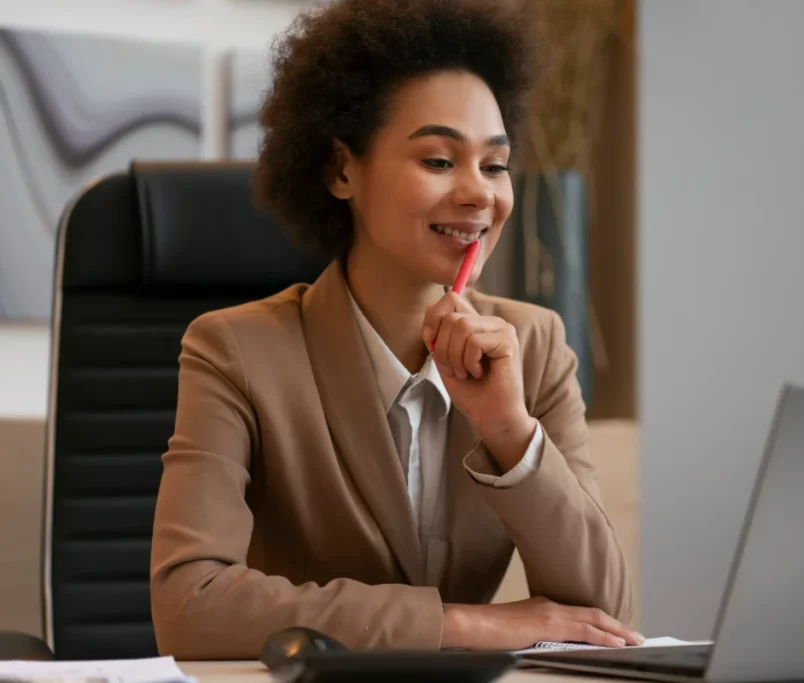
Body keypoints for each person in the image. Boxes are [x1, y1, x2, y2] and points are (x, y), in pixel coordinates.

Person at [149, 0, 637, 659]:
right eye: (438, 161)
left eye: (494, 165)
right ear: (342, 170)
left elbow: (603, 613)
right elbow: (190, 605)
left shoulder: (536, 344)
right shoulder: (235, 350)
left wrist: (509, 433)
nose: (478, 194)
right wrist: (459, 624)